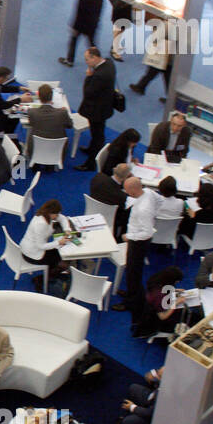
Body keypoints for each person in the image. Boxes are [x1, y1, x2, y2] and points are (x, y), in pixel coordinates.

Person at [119, 176, 158, 312]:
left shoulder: (143, 209)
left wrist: (129, 236)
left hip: (138, 242)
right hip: (137, 237)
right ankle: (131, 293)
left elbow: (147, 233)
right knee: (132, 271)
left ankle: (132, 301)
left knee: (133, 272)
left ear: (133, 190)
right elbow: (159, 201)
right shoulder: (148, 192)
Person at [76, 47, 116, 170]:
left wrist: (88, 77)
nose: (86, 63)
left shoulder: (99, 75)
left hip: (97, 111)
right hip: (104, 107)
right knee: (97, 133)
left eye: (87, 60)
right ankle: (91, 149)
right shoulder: (109, 63)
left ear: (95, 57)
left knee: (97, 135)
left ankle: (91, 163)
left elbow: (88, 92)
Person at [19, 199, 71, 292]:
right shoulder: (41, 224)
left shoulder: (45, 214)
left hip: (32, 248)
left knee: (58, 255)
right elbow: (41, 246)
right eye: (56, 214)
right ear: (51, 213)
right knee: (62, 262)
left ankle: (48, 274)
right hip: (33, 254)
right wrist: (59, 242)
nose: (57, 216)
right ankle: (40, 279)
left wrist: (67, 229)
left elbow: (62, 218)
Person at [61, 0, 104, 67]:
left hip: (80, 25)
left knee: (73, 41)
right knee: (92, 44)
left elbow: (79, 14)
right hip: (92, 25)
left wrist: (74, 27)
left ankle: (70, 60)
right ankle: (98, 63)